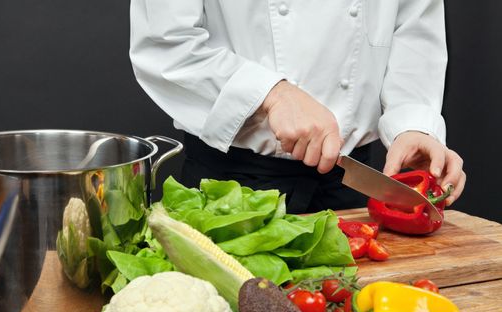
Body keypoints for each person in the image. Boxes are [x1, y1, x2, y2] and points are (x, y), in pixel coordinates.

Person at [129, 0, 466, 213]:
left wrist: (413, 124)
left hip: (352, 195)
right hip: (231, 197)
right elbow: (163, 45)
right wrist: (271, 94)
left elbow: (414, 30)